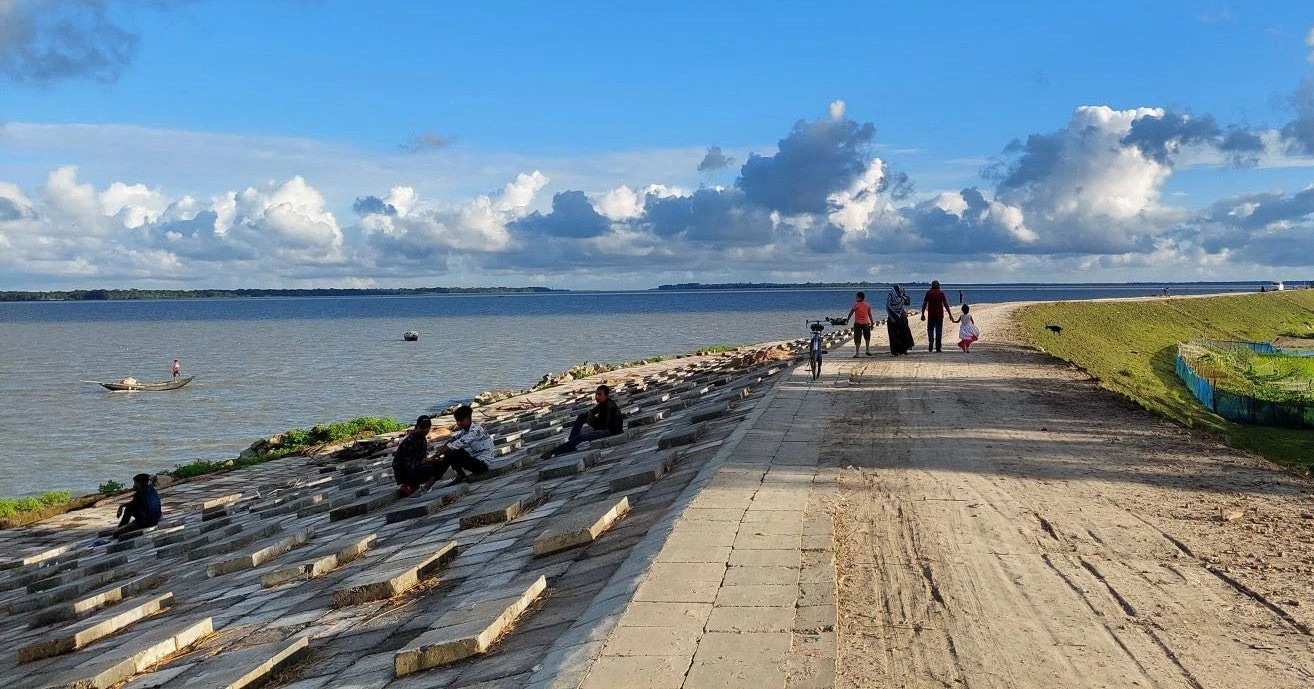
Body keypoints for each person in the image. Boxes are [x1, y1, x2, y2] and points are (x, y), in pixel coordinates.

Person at [546, 385, 625, 457]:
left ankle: (554, 452)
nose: (597, 397)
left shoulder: (609, 405)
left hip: (610, 431)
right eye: (596, 394)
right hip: (603, 427)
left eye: (600, 395)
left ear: (606, 396)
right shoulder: (602, 404)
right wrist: (589, 415)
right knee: (582, 416)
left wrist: (592, 430)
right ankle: (571, 443)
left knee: (580, 437)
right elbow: (591, 412)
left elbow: (606, 424)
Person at [431, 405, 492, 485]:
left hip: (482, 465)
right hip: (476, 458)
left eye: (461, 421)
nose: (459, 423)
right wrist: (440, 452)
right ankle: (459, 476)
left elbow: (454, 445)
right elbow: (452, 439)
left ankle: (432, 481)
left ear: (469, 418)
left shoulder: (474, 431)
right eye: (457, 421)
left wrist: (435, 456)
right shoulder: (466, 430)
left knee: (451, 451)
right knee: (450, 452)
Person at [392, 415, 442, 495]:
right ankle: (412, 485)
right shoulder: (410, 441)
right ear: (417, 427)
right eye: (422, 427)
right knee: (436, 467)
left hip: (413, 467)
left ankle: (417, 485)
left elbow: (422, 458)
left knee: (441, 463)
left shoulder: (422, 439)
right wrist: (430, 460)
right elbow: (409, 463)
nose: (425, 430)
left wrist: (431, 460)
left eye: (427, 427)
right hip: (405, 472)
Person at [920, 280, 954, 353]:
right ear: (938, 285)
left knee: (930, 330)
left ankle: (931, 340)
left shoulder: (928, 292)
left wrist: (922, 314)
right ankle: (938, 347)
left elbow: (924, 304)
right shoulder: (941, 293)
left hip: (931, 315)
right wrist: (950, 314)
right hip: (939, 315)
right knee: (939, 331)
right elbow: (945, 304)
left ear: (932, 285)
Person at [886, 285, 915, 356]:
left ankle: (895, 351)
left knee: (893, 335)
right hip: (901, 317)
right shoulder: (901, 298)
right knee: (903, 333)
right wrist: (904, 294)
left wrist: (892, 317)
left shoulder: (889, 298)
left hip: (891, 318)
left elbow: (888, 307)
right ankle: (903, 350)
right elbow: (908, 302)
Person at [847, 292, 875, 357]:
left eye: (856, 297)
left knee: (857, 338)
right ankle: (867, 350)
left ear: (860, 298)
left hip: (858, 324)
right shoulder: (867, 305)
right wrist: (872, 323)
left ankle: (857, 353)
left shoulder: (856, 305)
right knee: (867, 337)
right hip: (866, 324)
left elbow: (851, 313)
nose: (855, 298)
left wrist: (847, 319)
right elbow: (870, 315)